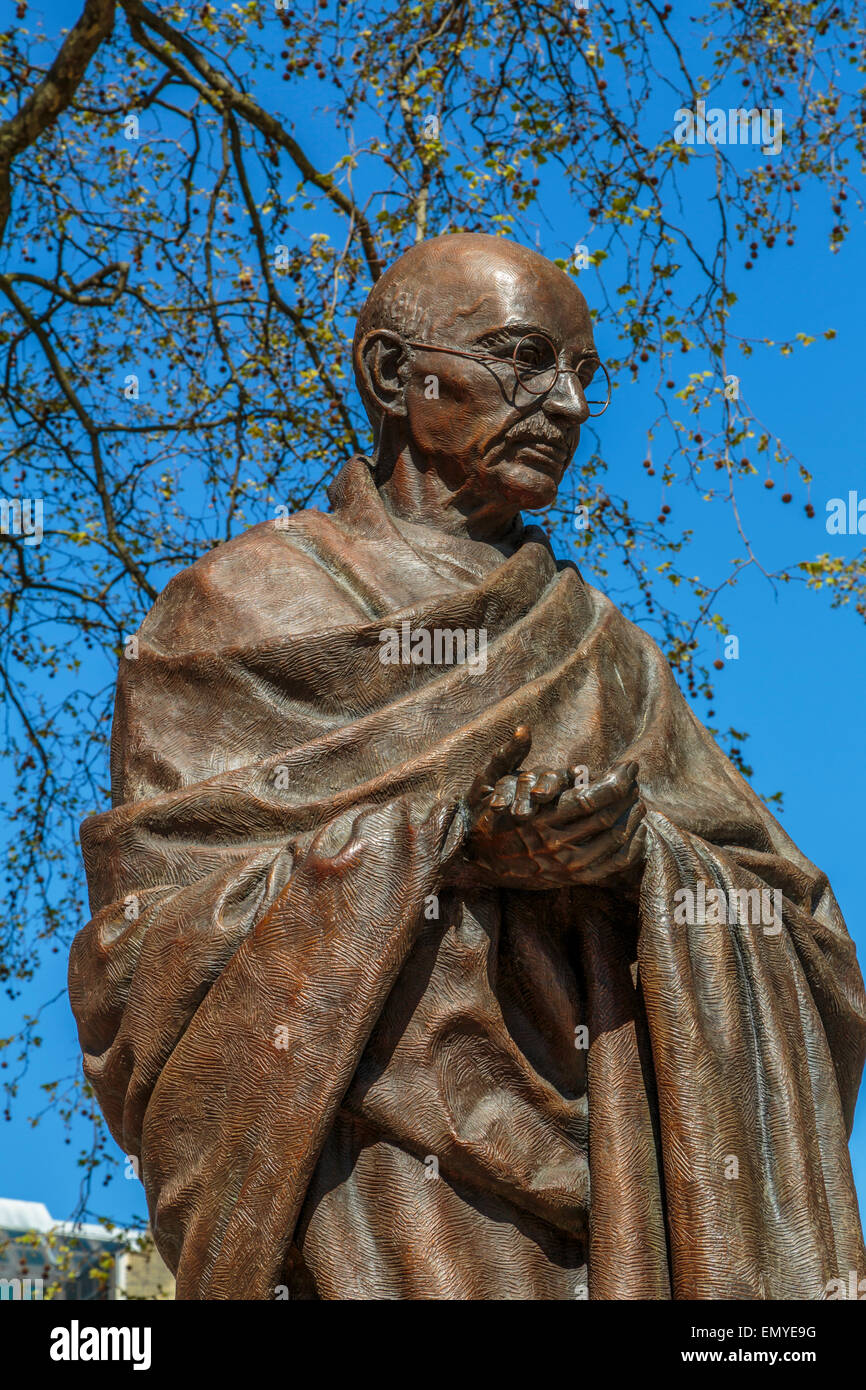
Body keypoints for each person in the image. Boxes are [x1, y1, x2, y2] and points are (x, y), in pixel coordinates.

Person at [70, 233, 866, 1299]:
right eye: (524, 358)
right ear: (395, 374)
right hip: (361, 1184)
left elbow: (797, 929)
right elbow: (143, 948)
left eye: (582, 375)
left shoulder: (601, 650)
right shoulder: (236, 611)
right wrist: (446, 847)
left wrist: (639, 862)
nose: (570, 407)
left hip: (603, 1216)